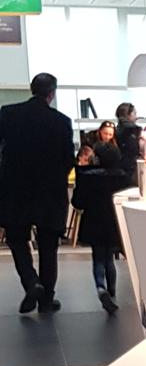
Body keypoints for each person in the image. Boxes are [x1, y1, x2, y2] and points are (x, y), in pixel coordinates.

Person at [0, 72, 75, 314]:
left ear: (32, 89)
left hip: (15, 190)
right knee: (48, 246)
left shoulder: (8, 114)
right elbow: (68, 159)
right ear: (52, 93)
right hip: (50, 192)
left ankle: (31, 282)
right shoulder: (61, 122)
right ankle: (47, 299)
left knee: (16, 240)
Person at [71, 142, 129, 314]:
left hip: (94, 222)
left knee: (98, 258)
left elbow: (77, 202)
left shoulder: (88, 177)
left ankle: (100, 287)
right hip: (114, 223)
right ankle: (112, 292)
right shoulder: (123, 177)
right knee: (110, 258)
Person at [115, 102, 141, 186]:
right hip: (132, 168)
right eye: (134, 114)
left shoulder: (115, 131)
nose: (136, 117)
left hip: (118, 169)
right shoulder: (134, 131)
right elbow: (135, 150)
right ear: (128, 115)